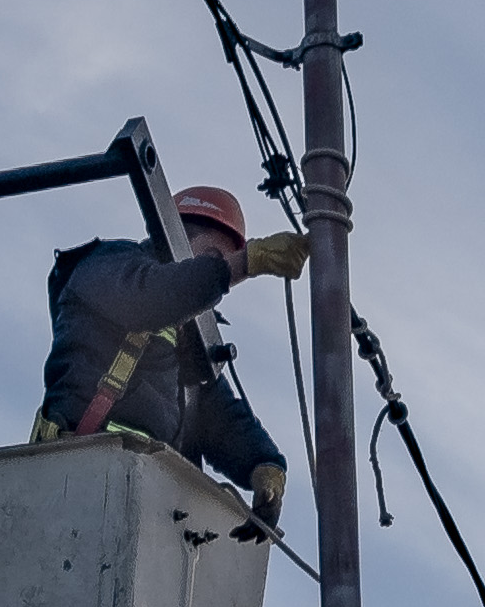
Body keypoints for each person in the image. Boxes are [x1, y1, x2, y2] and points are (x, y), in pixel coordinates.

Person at [34, 186, 302, 522]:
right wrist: (243, 264)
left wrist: (263, 465)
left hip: (148, 495)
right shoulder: (108, 265)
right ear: (175, 236)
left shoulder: (189, 333)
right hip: (79, 471)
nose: (222, 275)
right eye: (212, 258)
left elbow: (213, 409)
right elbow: (151, 297)